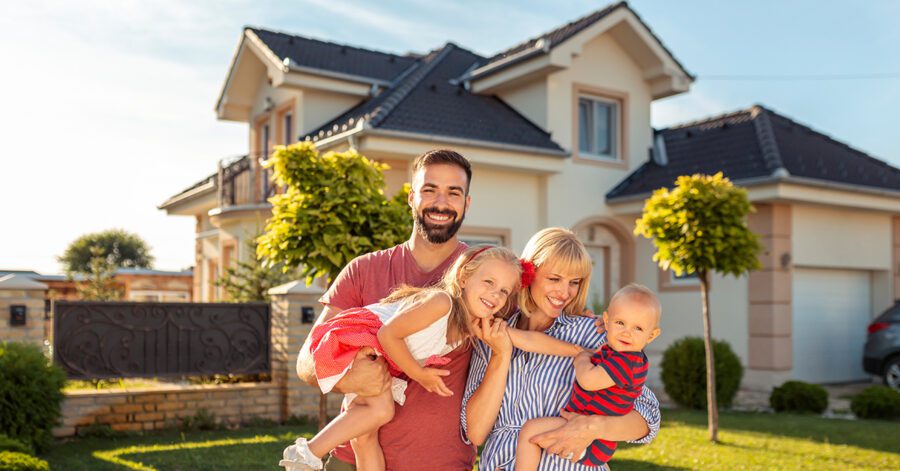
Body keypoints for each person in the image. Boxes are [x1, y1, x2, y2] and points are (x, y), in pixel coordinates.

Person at [293, 149, 478, 471]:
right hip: (352, 459)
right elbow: (308, 360)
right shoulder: (364, 269)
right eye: (429, 189)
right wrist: (350, 379)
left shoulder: (481, 276)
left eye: (454, 192)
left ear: (466, 203)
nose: (441, 202)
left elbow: (542, 314)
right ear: (411, 197)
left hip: (441, 462)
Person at [281, 246, 523, 470]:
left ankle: (307, 454)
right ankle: (307, 453)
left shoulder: (473, 324)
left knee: (366, 435)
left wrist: (562, 346)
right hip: (363, 341)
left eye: (504, 291)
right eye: (489, 282)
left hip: (381, 355)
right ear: (463, 277)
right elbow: (385, 335)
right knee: (380, 413)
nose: (496, 294)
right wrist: (419, 374)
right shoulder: (441, 302)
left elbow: (525, 338)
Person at [462, 228, 661, 471]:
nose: (564, 292)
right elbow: (476, 433)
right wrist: (501, 354)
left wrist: (593, 427)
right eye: (554, 279)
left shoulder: (594, 334)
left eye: (574, 282)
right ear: (528, 274)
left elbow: (648, 417)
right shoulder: (492, 334)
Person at [515, 283, 662, 470]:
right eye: (620, 323)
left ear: (652, 335)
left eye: (638, 328)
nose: (626, 332)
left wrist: (581, 359)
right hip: (587, 433)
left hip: (592, 442)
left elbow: (589, 381)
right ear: (606, 320)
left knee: (530, 432)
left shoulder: (628, 360)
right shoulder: (616, 352)